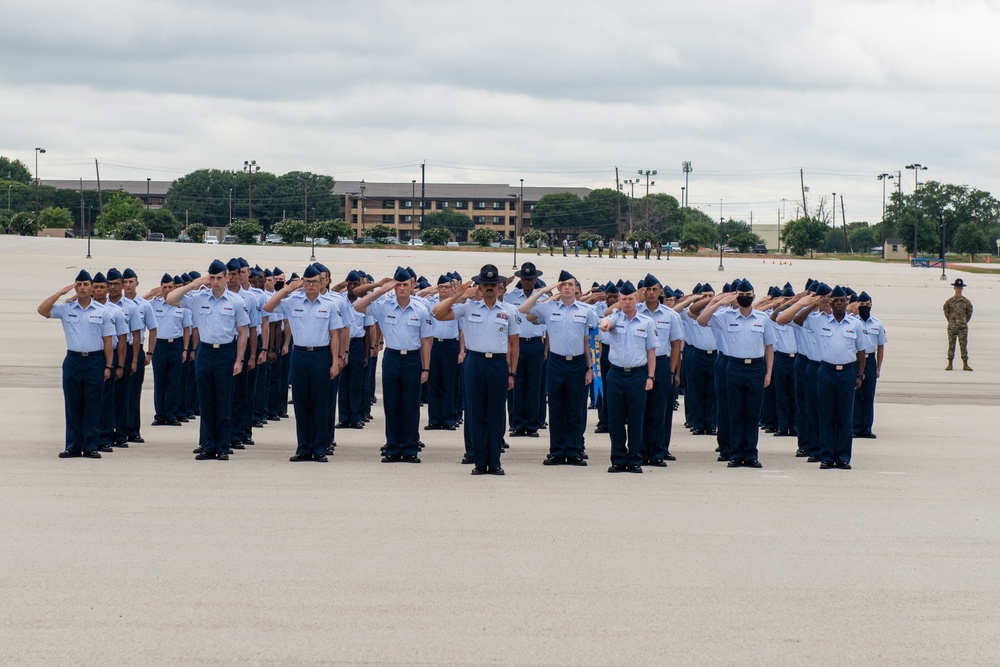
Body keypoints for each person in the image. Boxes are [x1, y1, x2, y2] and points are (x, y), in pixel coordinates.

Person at [434, 264, 520, 475]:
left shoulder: (509, 311)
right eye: (485, 284)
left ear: (500, 288)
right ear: (479, 287)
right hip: (475, 362)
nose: (489, 288)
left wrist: (512, 373)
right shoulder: (468, 307)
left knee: (496, 413)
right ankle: (480, 462)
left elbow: (515, 345)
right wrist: (459, 295)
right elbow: (437, 313)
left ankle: (495, 462)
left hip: (498, 364)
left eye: (492, 284)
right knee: (475, 412)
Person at [167, 259, 249, 461]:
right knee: (206, 401)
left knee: (223, 400)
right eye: (212, 278)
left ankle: (223, 446)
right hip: (205, 351)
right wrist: (194, 284)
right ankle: (208, 445)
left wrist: (239, 360)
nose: (215, 282)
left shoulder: (236, 301)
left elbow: (243, 332)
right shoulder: (198, 298)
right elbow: (170, 298)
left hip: (226, 352)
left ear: (227, 277)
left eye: (219, 278)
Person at [353, 267, 433, 464]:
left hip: (413, 359)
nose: (402, 289)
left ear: (413, 286)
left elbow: (426, 341)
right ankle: (393, 448)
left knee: (411, 405)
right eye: (398, 285)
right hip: (392, 357)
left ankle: (410, 449)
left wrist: (426, 368)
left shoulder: (421, 308)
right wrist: (381, 289)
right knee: (392, 405)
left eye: (406, 285)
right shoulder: (384, 305)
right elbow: (358, 306)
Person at [264, 265, 343, 462]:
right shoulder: (292, 301)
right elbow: (268, 307)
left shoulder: (330, 304)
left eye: (315, 282)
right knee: (301, 402)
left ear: (322, 283)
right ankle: (303, 447)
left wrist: (335, 362)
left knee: (320, 402)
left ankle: (319, 448)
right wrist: (288, 289)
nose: (311, 285)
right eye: (307, 282)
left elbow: (335, 336)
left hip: (321, 355)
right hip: (299, 355)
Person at [519, 270, 598, 466]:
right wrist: (544, 291)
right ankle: (556, 451)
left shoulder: (586, 311)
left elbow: (591, 342)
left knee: (575, 409)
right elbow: (523, 310)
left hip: (578, 363)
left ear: (577, 288)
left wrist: (591, 369)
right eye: (563, 285)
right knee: (556, 408)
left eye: (571, 284)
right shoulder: (549, 308)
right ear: (558, 287)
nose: (567, 288)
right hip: (556, 362)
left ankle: (574, 451)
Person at [695, 279, 774, 468]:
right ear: (736, 297)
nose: (745, 298)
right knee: (736, 412)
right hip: (734, 366)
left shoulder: (762, 318)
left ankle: (751, 454)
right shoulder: (726, 316)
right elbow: (701, 320)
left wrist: (769, 372)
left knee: (752, 413)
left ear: (754, 296)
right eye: (741, 295)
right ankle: (736, 454)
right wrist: (719, 302)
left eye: (748, 296)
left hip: (756, 368)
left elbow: (769, 347)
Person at [38, 270, 116, 459]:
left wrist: (109, 366)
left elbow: (107, 341)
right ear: (75, 286)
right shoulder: (67, 309)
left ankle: (90, 446)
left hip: (95, 361)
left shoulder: (102, 311)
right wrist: (61, 292)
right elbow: (42, 310)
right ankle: (73, 446)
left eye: (85, 284)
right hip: (73, 360)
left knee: (93, 405)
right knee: (72, 405)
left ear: (91, 288)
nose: (82, 288)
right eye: (79, 284)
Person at [792, 286, 866, 469]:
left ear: (847, 302)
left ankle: (842, 457)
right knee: (825, 415)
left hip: (848, 372)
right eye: (836, 300)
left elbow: (861, 352)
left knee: (844, 416)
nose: (839, 303)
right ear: (831, 303)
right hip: (825, 371)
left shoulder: (855, 323)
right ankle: (826, 457)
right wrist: (815, 303)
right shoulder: (819, 321)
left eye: (842, 300)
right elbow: (797, 319)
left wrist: (859, 375)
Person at [598, 281, 656, 473]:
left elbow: (651, 352)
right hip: (615, 374)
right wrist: (605, 324)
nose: (627, 302)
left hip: (638, 375)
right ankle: (618, 459)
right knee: (615, 419)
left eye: (630, 299)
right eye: (624, 299)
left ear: (636, 300)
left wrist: (651, 377)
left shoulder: (647, 322)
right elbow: (606, 322)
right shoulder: (615, 318)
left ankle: (634, 460)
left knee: (636, 419)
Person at [636, 274, 683, 465]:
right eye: (647, 289)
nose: (651, 293)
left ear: (660, 291)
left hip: (662, 364)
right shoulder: (634, 311)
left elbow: (675, 346)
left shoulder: (670, 315)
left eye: (655, 289)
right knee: (640, 410)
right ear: (643, 291)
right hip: (640, 365)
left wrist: (671, 372)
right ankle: (640, 452)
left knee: (659, 410)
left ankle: (657, 453)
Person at [506, 263, 546, 438]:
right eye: (524, 279)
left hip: (536, 343)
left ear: (535, 279)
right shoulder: (511, 297)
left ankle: (532, 424)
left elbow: (549, 323)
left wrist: (546, 347)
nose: (527, 282)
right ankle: (517, 423)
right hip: (517, 344)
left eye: (530, 279)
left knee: (534, 385)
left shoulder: (543, 297)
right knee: (516, 384)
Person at [121, 268, 158, 444]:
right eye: (125, 282)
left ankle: (133, 430)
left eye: (131, 282)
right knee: (116, 393)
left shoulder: (144, 305)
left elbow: (153, 329)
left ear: (137, 283)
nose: (128, 285)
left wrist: (149, 353)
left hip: (136, 349)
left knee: (134, 393)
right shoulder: (110, 303)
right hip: (117, 350)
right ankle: (116, 428)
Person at [148, 274, 190, 427]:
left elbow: (186, 329)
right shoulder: (154, 304)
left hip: (176, 345)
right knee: (160, 381)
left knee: (174, 382)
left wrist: (185, 349)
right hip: (159, 345)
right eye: (164, 287)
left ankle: (171, 415)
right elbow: (138, 302)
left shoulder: (182, 305)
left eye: (170, 287)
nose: (167, 290)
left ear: (174, 288)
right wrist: (153, 293)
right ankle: (160, 415)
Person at [425, 275, 461, 431]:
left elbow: (461, 329)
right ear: (437, 288)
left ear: (452, 289)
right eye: (441, 287)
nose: (444, 290)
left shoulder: (456, 304)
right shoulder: (430, 304)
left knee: (448, 384)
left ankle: (448, 419)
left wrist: (461, 351)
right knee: (434, 384)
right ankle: (434, 419)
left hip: (450, 346)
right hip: (434, 345)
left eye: (447, 287)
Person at [853, 291, 886, 439]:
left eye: (867, 304)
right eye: (862, 304)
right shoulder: (853, 322)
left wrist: (878, 367)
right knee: (856, 395)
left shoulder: (877, 323)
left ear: (871, 305)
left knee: (868, 395)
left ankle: (866, 428)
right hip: (855, 361)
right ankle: (855, 427)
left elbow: (881, 346)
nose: (865, 307)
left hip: (870, 360)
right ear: (857, 305)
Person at [943, 278, 973, 371]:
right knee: (951, 345)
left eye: (960, 287)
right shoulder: (949, 302)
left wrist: (964, 321)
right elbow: (946, 311)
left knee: (963, 345)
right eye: (957, 287)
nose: (958, 289)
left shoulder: (966, 302)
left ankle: (965, 364)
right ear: (954, 288)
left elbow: (969, 312)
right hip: (952, 327)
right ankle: (950, 363)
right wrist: (951, 321)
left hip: (962, 328)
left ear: (962, 289)